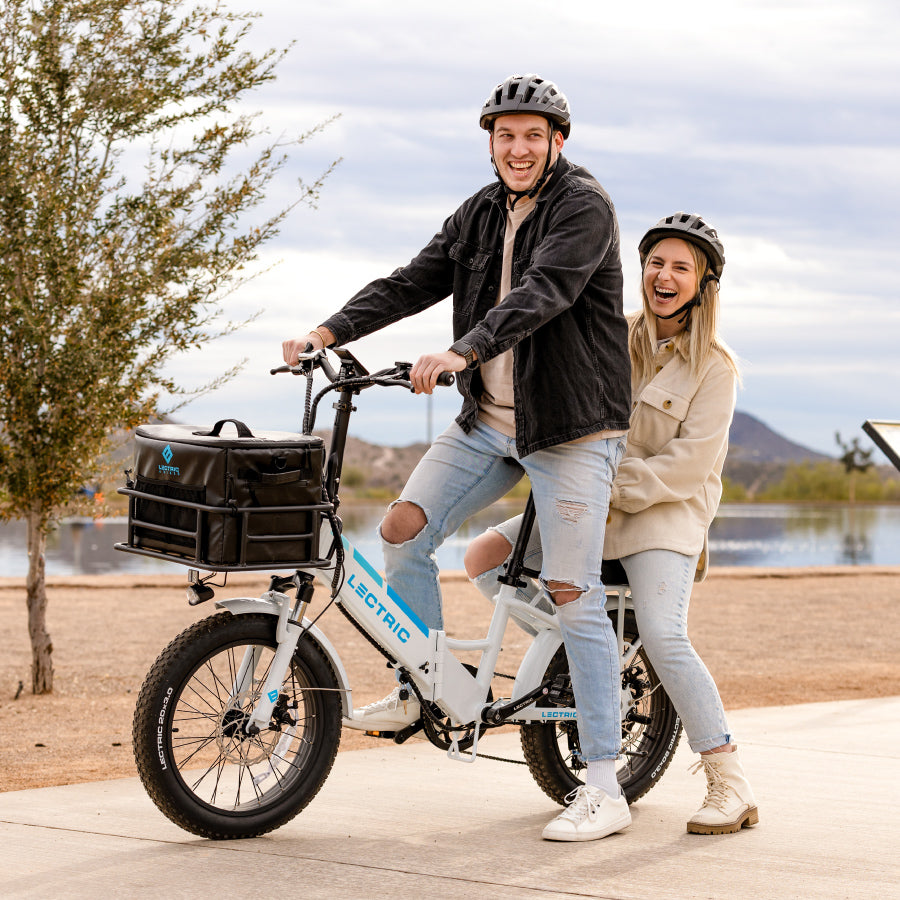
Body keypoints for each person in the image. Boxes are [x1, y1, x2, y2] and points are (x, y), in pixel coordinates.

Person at [282, 74, 633, 842]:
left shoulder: (584, 207)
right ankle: (426, 685)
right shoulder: (479, 213)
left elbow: (545, 291)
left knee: (574, 593)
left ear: (557, 143)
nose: (518, 148)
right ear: (491, 142)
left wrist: (462, 349)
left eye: (533, 136)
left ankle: (604, 784)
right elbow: (411, 281)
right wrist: (326, 334)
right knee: (401, 533)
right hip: (490, 422)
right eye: (505, 135)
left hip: (571, 428)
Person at [465, 212, 759, 836]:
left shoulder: (717, 367)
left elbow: (687, 468)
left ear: (703, 283)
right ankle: (581, 649)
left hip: (660, 517)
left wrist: (603, 488)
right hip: (588, 505)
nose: (665, 276)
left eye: (682, 267)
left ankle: (729, 782)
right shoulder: (610, 333)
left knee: (661, 633)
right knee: (483, 559)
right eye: (656, 262)